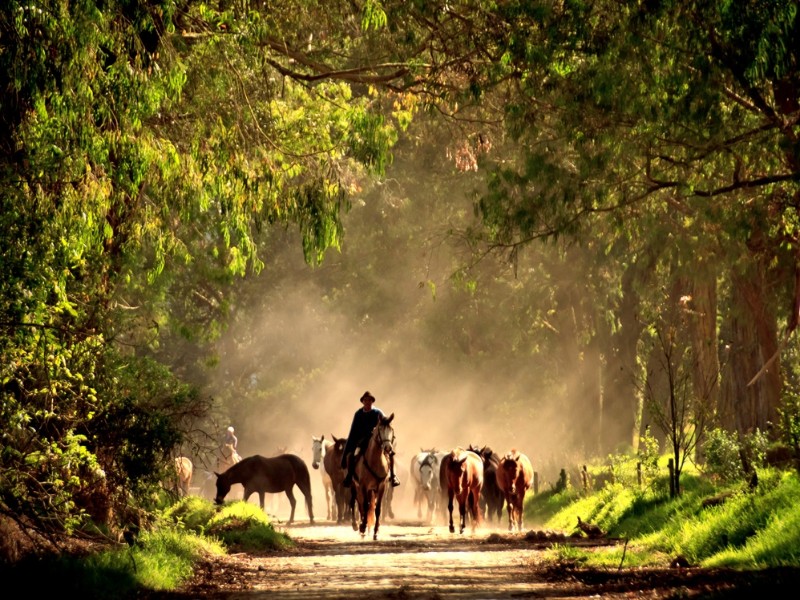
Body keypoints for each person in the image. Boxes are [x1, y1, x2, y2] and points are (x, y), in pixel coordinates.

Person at [341, 391, 400, 488]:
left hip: (377, 441)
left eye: (369, 400)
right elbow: (354, 430)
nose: (367, 402)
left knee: (390, 453)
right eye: (365, 400)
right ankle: (349, 476)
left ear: (372, 402)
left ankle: (393, 476)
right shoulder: (358, 414)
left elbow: (386, 424)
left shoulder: (378, 413)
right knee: (351, 455)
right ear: (363, 402)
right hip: (362, 441)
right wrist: (355, 441)